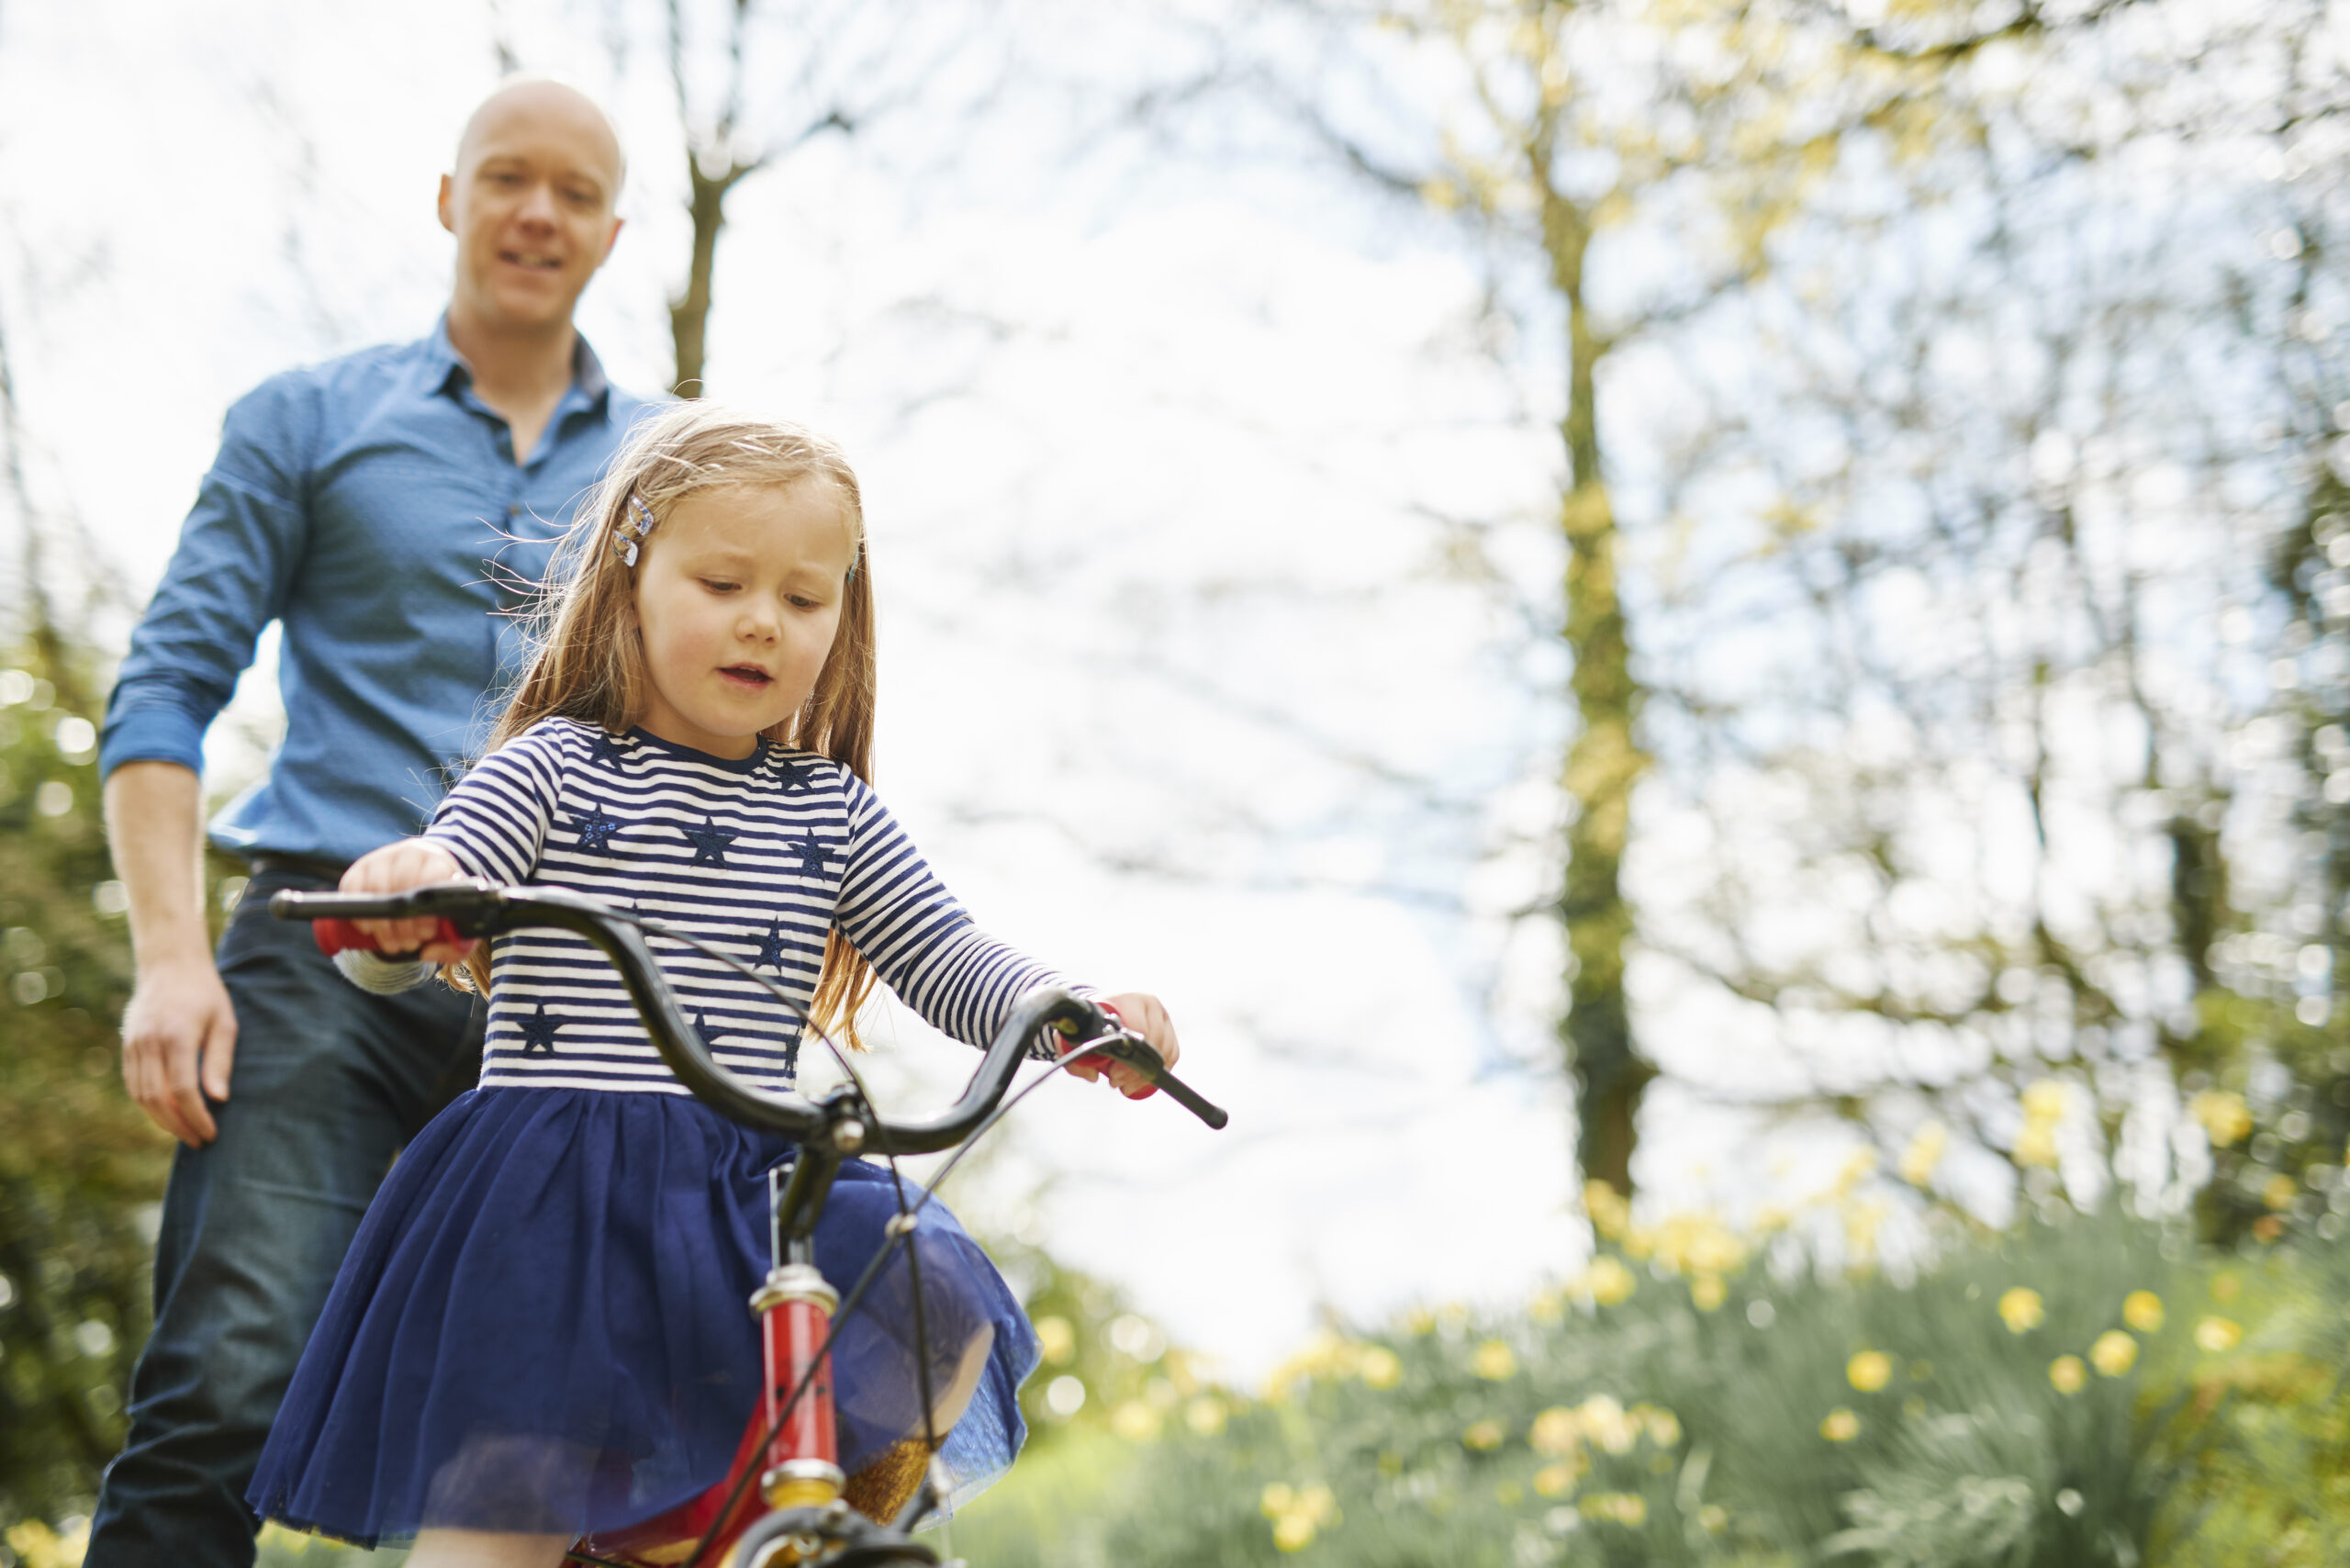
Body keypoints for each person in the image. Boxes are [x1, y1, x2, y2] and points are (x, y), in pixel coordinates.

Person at [241, 402, 1182, 1563]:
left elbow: (951, 960)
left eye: (803, 597)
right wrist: (413, 891)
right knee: (502, 1524)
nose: (762, 624)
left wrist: (1071, 1017)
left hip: (739, 1200)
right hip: (549, 1199)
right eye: (722, 582)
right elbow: (447, 881)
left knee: (931, 1282)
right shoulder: (556, 767)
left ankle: (732, 1532)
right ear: (630, 580)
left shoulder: (826, 809)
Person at [91, 78, 646, 1566]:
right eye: (508, 177)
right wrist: (168, 961)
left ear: (612, 229)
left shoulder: (671, 465)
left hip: (574, 977)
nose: (538, 211)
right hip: (322, 959)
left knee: (589, 1448)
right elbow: (164, 693)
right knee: (227, 1379)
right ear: (451, 197)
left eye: (575, 191)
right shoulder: (306, 419)